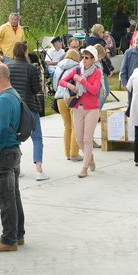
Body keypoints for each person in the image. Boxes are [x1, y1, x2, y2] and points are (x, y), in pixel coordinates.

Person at [0, 63, 25, 252]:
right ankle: (18, 234)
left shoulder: (5, 100)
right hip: (12, 151)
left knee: (5, 198)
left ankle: (8, 239)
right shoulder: (12, 95)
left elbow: (0, 128)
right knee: (13, 195)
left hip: (4, 152)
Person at [59, 47, 103, 178]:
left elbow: (94, 91)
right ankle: (90, 158)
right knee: (79, 139)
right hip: (78, 107)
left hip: (92, 109)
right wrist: (70, 85)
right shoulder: (77, 70)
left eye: (87, 57)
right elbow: (62, 81)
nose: (84, 60)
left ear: (93, 59)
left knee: (87, 139)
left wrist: (82, 80)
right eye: (83, 57)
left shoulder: (97, 72)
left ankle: (84, 167)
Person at [7, 42, 47, 181]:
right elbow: (36, 89)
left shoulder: (8, 67)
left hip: (14, 106)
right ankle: (39, 170)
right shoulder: (31, 68)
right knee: (37, 137)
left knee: (14, 137)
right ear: (25, 52)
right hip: (29, 105)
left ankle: (16, 167)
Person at [53, 47, 82, 162]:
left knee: (67, 126)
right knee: (76, 126)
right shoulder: (78, 68)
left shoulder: (58, 67)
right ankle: (74, 153)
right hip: (72, 98)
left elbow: (55, 85)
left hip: (60, 97)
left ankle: (67, 153)